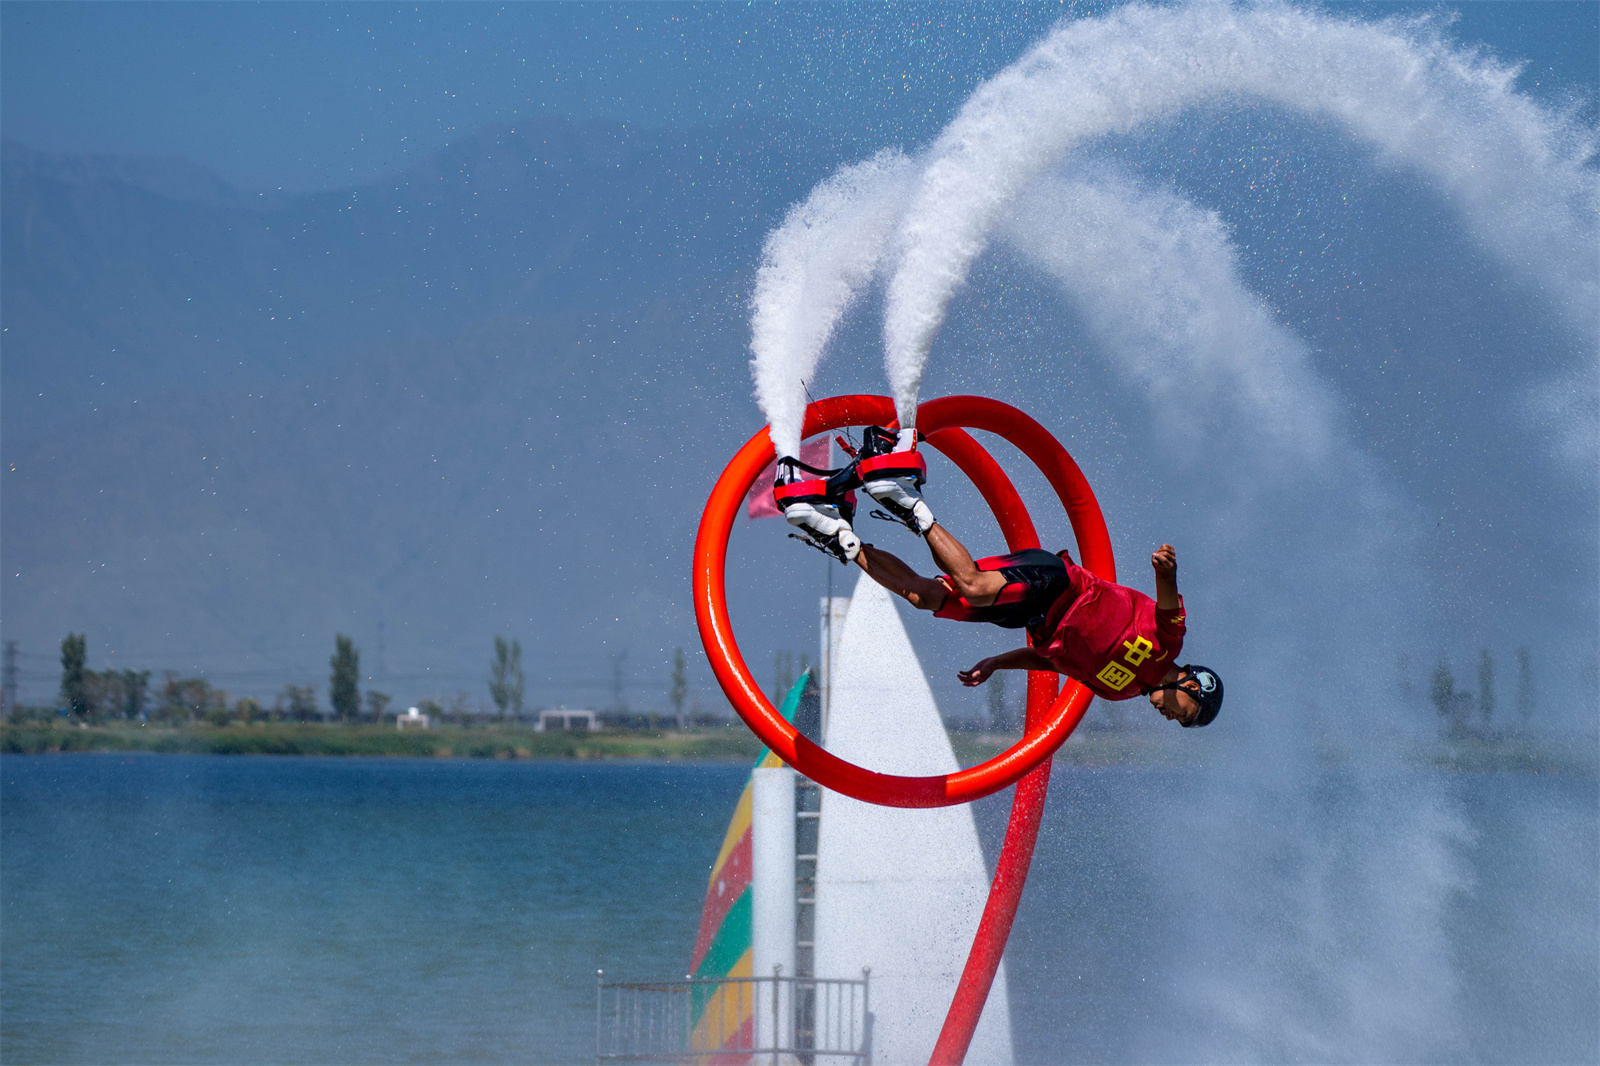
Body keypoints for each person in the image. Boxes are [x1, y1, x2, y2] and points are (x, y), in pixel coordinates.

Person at [775, 425, 1223, 727]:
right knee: (972, 586)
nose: (1172, 720)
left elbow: (1051, 660)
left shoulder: (1118, 693)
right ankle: (908, 504)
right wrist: (1167, 570)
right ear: (1192, 685)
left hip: (1029, 620)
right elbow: (1168, 603)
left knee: (924, 597)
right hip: (1056, 585)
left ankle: (840, 535)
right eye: (1185, 715)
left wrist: (997, 662)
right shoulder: (1169, 643)